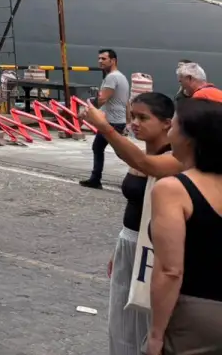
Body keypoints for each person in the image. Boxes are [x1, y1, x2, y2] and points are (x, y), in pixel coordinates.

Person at [82, 93, 180, 355]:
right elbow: (135, 204)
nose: (135, 123)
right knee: (122, 322)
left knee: (148, 317)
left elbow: (145, 164)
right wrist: (119, 246)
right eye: (133, 116)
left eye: (143, 118)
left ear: (167, 123)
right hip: (129, 242)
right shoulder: (140, 152)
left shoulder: (173, 158)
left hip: (155, 249)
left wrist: (104, 127)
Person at [146, 98, 222, 355]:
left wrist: (156, 334)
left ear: (188, 139)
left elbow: (170, 271)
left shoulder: (173, 189)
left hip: (196, 313)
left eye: (174, 126)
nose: (169, 133)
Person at [82, 48, 130, 189]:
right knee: (98, 147)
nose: (100, 61)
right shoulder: (121, 77)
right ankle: (95, 179)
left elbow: (102, 99)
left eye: (103, 59)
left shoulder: (112, 77)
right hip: (114, 121)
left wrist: (86, 109)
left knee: (122, 153)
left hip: (112, 122)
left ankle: (144, 171)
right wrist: (128, 121)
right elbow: (126, 102)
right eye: (99, 58)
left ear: (113, 60)